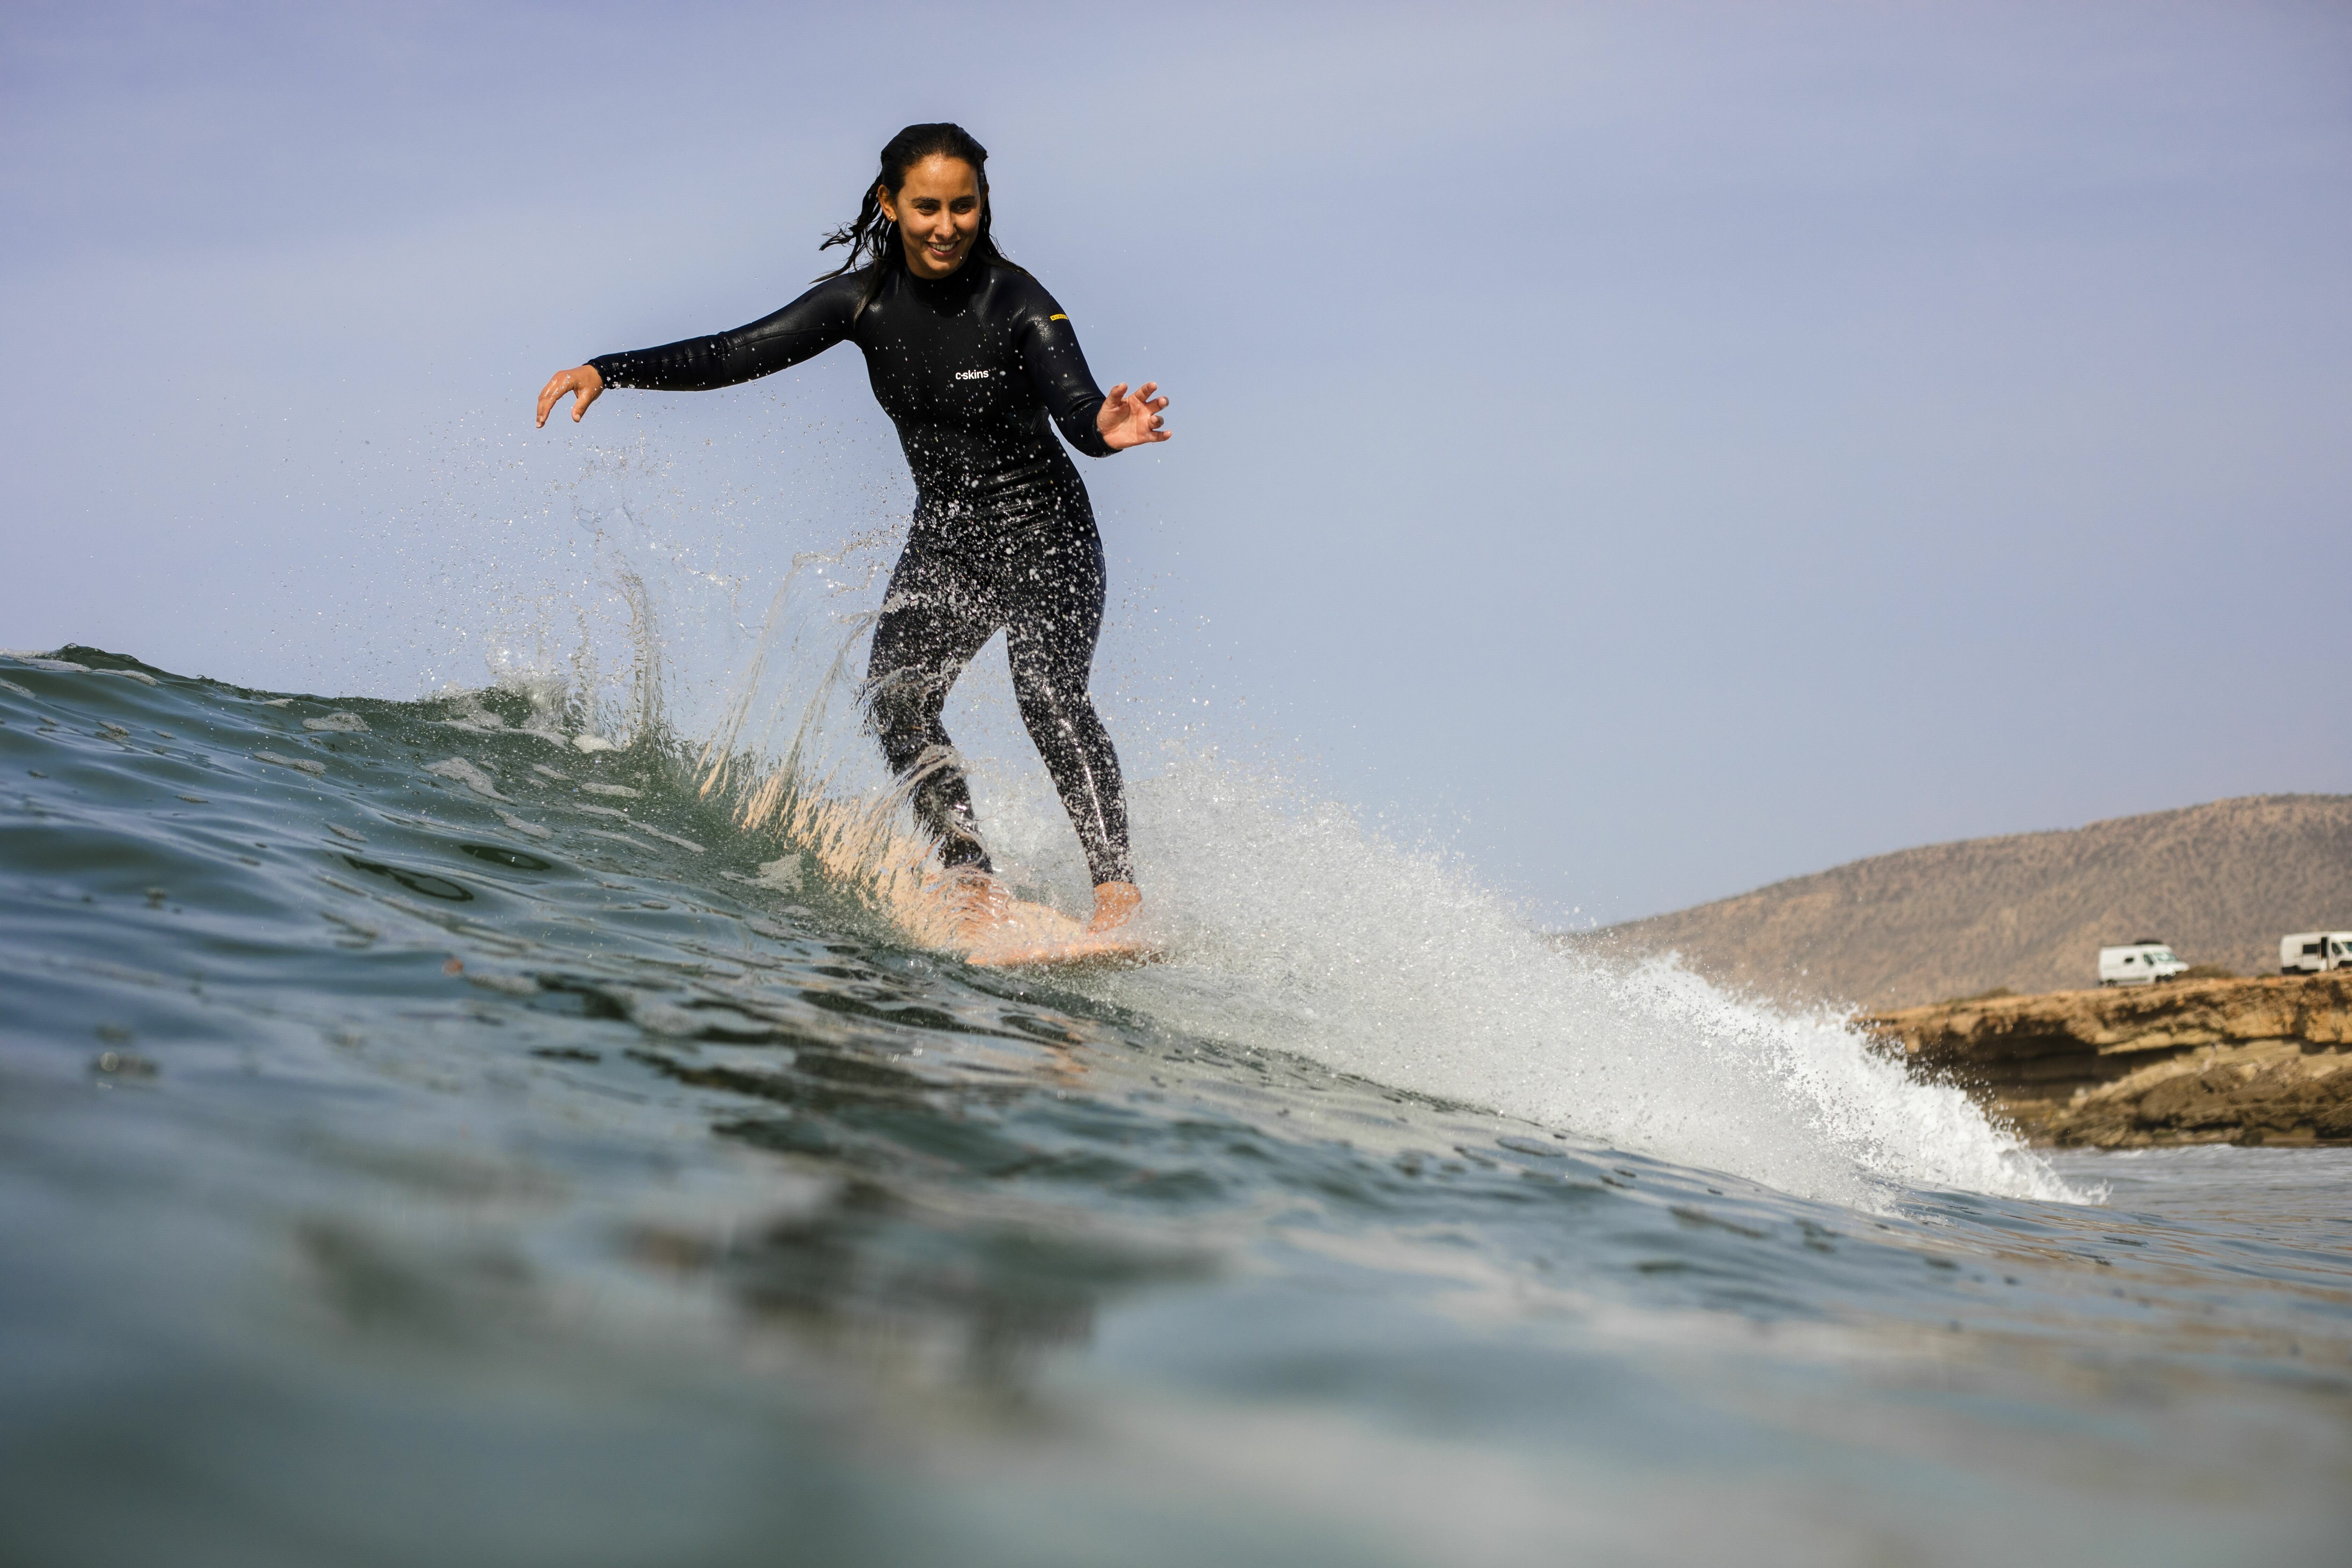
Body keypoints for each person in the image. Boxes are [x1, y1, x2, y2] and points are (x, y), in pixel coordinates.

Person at [535, 122, 1168, 940]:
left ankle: (1117, 892)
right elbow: (740, 351)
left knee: (1047, 695)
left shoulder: (1017, 300)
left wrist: (1105, 425)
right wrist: (610, 368)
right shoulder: (863, 302)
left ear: (983, 207)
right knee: (898, 699)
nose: (947, 225)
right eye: (928, 207)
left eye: (964, 207)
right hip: (950, 539)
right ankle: (971, 876)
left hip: (1048, 533)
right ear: (890, 204)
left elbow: (1078, 408)